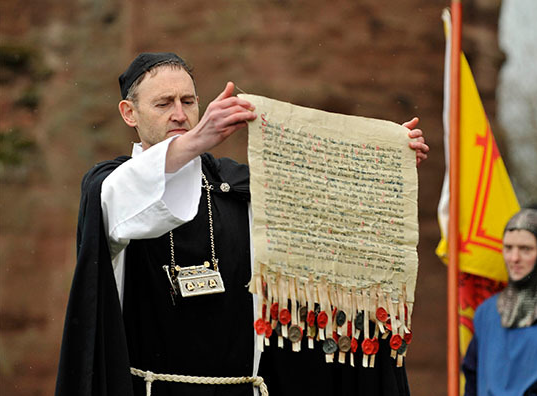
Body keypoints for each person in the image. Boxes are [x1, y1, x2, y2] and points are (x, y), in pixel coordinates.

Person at [54, 52, 429, 396]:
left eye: (188, 101)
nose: (180, 114)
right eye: (163, 103)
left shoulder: (238, 186)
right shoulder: (110, 186)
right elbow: (126, 196)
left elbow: (322, 209)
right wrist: (198, 141)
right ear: (129, 113)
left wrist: (384, 167)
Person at [462, 208, 537, 396]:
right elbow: (472, 379)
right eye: (508, 248)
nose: (514, 258)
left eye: (525, 249)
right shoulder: (487, 313)